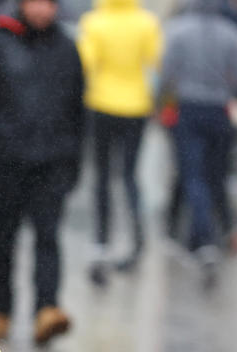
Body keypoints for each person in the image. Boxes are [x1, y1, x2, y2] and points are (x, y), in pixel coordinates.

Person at [0, 0, 84, 345]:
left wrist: (73, 161)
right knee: (2, 241)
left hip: (51, 163)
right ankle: (1, 310)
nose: (42, 10)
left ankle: (46, 309)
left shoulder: (65, 46)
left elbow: (77, 108)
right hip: (4, 164)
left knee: (48, 238)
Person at [159, 0, 237, 279]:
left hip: (188, 108)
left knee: (193, 176)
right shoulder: (232, 33)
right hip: (219, 109)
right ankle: (210, 236)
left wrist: (162, 102)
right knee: (215, 176)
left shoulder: (177, 30)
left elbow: (166, 73)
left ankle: (204, 240)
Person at [78, 0, 162, 280]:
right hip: (136, 105)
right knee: (129, 175)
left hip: (101, 103)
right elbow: (156, 60)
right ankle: (137, 238)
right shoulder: (146, 21)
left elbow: (86, 63)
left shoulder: (94, 21)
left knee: (101, 176)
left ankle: (102, 241)